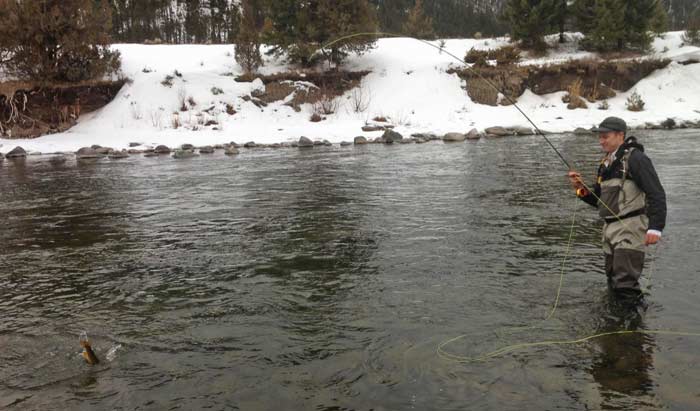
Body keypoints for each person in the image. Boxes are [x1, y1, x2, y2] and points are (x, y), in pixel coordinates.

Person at [568, 116, 666, 302]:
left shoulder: (637, 159)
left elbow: (657, 194)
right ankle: (616, 326)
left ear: (620, 135)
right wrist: (579, 188)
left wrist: (656, 227)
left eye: (605, 136)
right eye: (600, 136)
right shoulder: (605, 164)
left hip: (630, 228)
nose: (601, 140)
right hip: (610, 230)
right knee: (612, 281)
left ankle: (632, 328)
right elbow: (599, 201)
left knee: (625, 285)